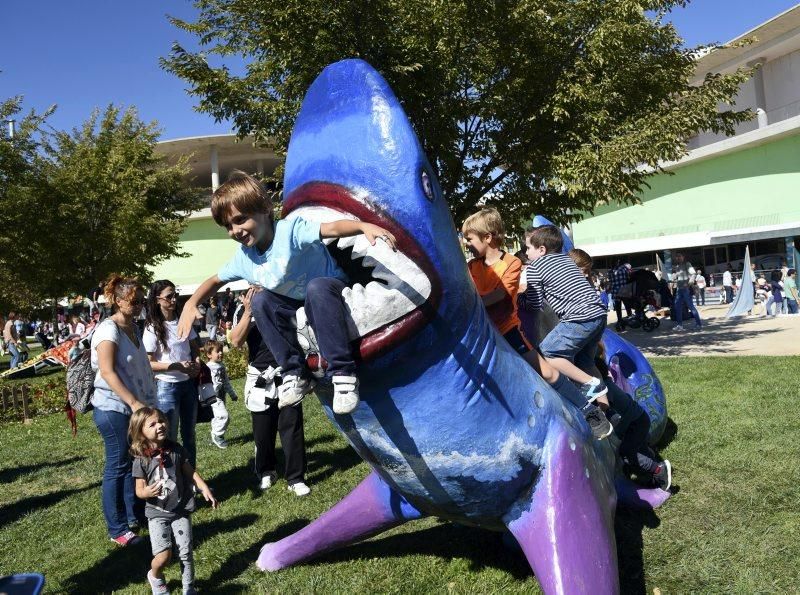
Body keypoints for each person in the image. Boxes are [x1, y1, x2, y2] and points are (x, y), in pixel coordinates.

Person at [176, 170, 395, 416]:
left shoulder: (289, 231)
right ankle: (294, 372)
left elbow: (331, 228)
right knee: (261, 300)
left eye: (240, 219)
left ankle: (343, 373)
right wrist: (191, 302)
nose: (235, 230)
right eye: (228, 226)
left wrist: (362, 226)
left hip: (330, 290)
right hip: (294, 303)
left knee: (316, 288)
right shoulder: (244, 258)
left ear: (264, 209)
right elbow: (215, 280)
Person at [522, 225, 614, 437]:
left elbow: (534, 304)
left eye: (528, 248)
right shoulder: (566, 260)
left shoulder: (536, 268)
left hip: (579, 318)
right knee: (585, 361)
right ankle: (606, 408)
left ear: (542, 249)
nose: (526, 253)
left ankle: (592, 385)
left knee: (548, 355)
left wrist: (522, 299)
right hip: (598, 314)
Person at [90, 275, 157, 547]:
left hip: (133, 408)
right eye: (133, 301)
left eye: (142, 300)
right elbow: (106, 371)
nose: (139, 305)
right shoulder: (109, 330)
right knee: (117, 467)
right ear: (117, 301)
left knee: (134, 463)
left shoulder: (134, 327)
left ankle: (134, 516)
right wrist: (133, 402)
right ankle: (117, 528)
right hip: (113, 408)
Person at [231, 288, 311, 495]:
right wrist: (249, 312)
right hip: (260, 373)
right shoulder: (242, 310)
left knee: (291, 425)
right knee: (262, 430)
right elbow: (236, 341)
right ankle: (266, 470)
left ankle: (295, 477)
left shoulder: (283, 300)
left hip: (287, 372)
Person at [130, 407, 218, 595]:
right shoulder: (141, 460)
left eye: (161, 421)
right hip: (157, 513)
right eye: (152, 424)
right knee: (164, 557)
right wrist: (146, 492)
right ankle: (155, 576)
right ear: (140, 432)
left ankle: (189, 588)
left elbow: (190, 472)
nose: (159, 425)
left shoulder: (176, 450)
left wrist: (203, 488)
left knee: (186, 552)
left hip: (180, 509)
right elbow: (139, 490)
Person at [144, 280, 202, 467]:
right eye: (169, 296)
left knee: (189, 435)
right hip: (166, 387)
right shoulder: (153, 327)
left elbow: (194, 348)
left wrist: (197, 365)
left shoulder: (182, 320)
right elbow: (149, 363)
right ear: (157, 300)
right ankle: (172, 478)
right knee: (169, 437)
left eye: (175, 294)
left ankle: (190, 478)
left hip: (188, 385)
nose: (174, 299)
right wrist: (177, 366)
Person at [203, 340, 238, 449]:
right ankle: (218, 435)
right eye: (217, 351)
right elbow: (206, 384)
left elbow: (226, 381)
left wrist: (232, 394)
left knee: (217, 416)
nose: (221, 353)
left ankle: (215, 434)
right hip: (213, 396)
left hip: (221, 395)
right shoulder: (207, 367)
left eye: (221, 351)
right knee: (224, 416)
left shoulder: (221, 366)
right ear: (209, 354)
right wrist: (216, 386)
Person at [671, 252, 702, 331]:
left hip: (685, 289)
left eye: (679, 256)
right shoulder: (677, 266)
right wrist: (673, 277)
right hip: (679, 289)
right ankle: (680, 325)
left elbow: (693, 274)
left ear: (683, 257)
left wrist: (689, 283)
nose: (678, 258)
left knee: (691, 306)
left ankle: (699, 324)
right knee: (677, 307)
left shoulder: (687, 264)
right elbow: (676, 277)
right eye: (677, 256)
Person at [609, 262, 631, 332]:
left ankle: (619, 320)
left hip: (616, 292)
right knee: (627, 305)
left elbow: (611, 282)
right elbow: (628, 278)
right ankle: (630, 318)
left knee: (618, 308)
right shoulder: (623, 269)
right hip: (624, 291)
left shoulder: (610, 272)